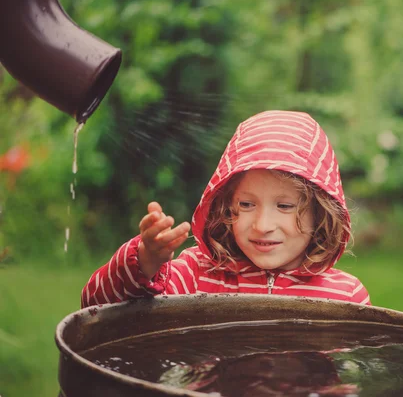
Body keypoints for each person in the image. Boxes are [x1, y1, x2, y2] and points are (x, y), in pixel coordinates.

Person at [81, 110, 370, 308]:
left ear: (320, 214)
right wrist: (145, 260)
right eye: (246, 204)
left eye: (284, 206)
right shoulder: (195, 275)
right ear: (225, 205)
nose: (262, 225)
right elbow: (96, 307)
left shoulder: (345, 297)